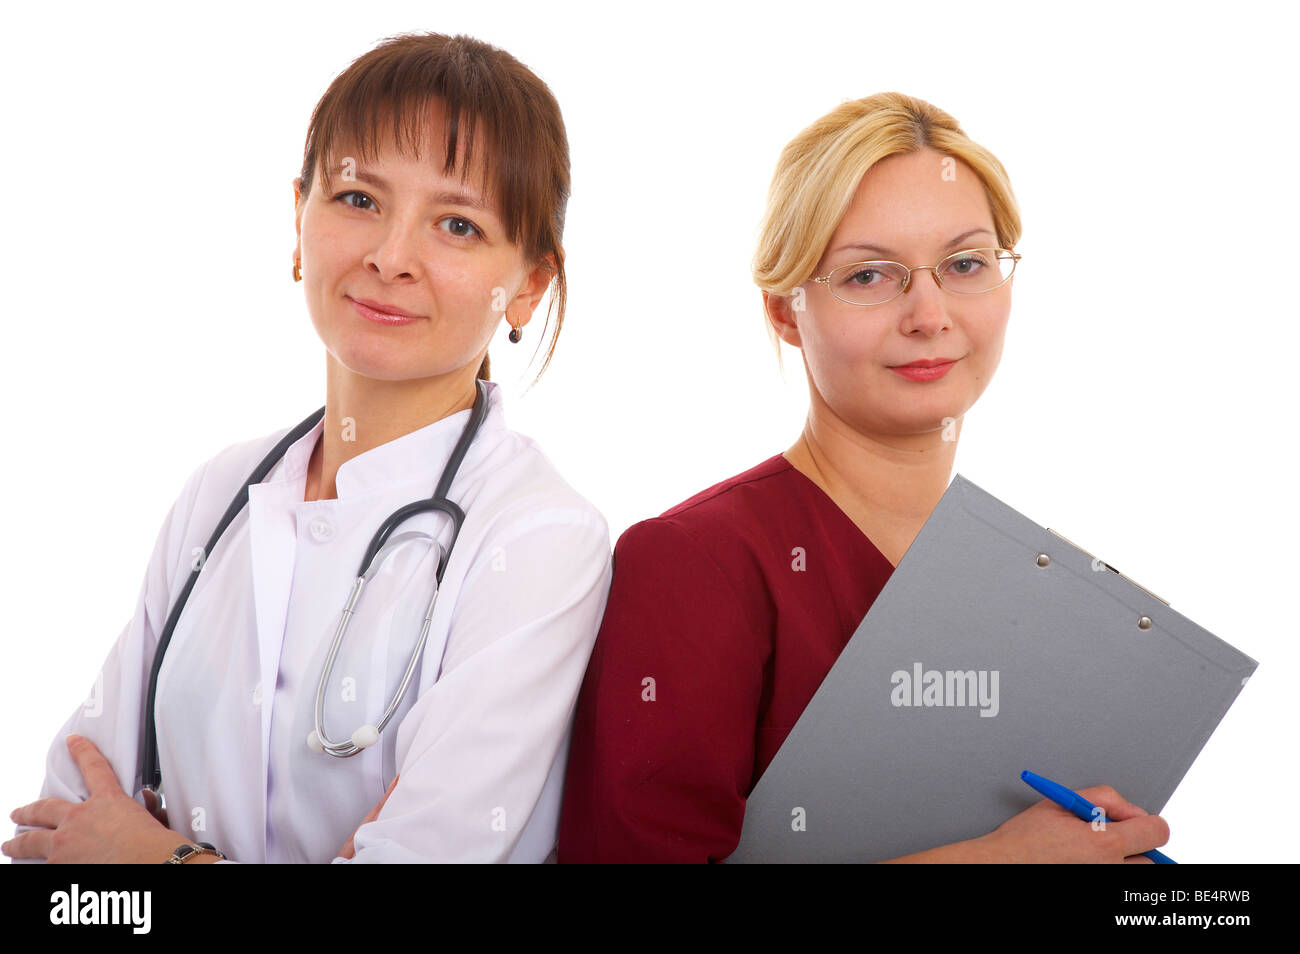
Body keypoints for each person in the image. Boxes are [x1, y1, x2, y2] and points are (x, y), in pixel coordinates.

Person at [4, 32, 611, 864]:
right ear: (299, 217)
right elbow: (60, 825)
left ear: (531, 284)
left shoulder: (538, 539)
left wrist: (159, 857)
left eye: (458, 225)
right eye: (358, 200)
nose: (391, 257)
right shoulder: (222, 493)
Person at [557, 92, 1171, 863]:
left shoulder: (1053, 598)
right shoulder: (693, 565)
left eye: (966, 264)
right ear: (785, 310)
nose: (928, 313)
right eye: (869, 276)